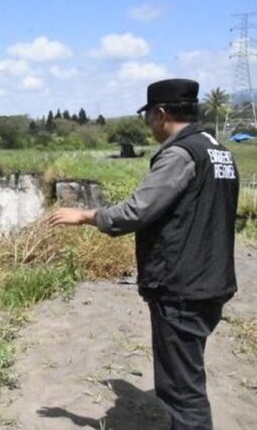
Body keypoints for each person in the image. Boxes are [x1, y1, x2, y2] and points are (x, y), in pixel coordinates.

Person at [48, 78, 240, 430]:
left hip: (182, 288)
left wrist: (86, 216)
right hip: (212, 281)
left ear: (161, 113)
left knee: (182, 393)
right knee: (187, 375)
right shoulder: (218, 151)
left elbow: (137, 210)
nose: (149, 123)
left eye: (149, 115)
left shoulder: (180, 154)